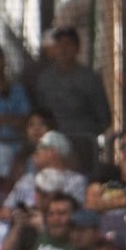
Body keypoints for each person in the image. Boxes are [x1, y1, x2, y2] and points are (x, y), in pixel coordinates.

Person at [28, 25, 112, 154]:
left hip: (81, 144)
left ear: (77, 48)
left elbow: (104, 119)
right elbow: (39, 113)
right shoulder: (44, 79)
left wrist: (85, 134)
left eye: (68, 44)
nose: (63, 49)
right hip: (51, 145)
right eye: (58, 44)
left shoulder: (89, 79)